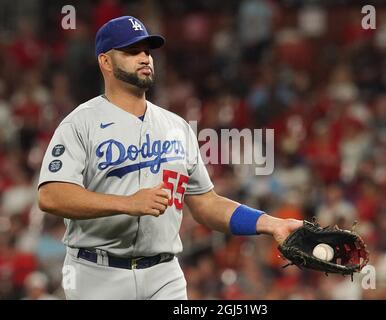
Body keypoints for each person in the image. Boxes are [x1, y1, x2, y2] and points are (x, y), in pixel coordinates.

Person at [37, 16, 301, 300]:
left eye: (147, 52)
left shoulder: (177, 127)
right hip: (96, 272)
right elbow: (51, 195)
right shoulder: (80, 123)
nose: (144, 58)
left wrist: (271, 224)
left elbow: (206, 204)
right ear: (106, 62)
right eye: (131, 51)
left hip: (164, 274)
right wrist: (127, 204)